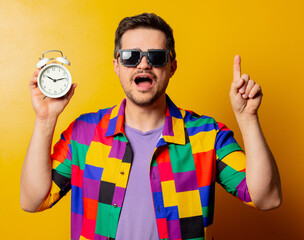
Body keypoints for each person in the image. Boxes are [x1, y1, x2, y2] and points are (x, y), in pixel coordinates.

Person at [21, 13, 282, 240]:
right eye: (131, 56)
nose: (143, 64)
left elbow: (268, 198)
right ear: (117, 65)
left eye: (156, 56)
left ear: (172, 66)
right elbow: (32, 200)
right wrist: (45, 119)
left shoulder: (207, 136)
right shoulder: (84, 133)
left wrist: (247, 118)